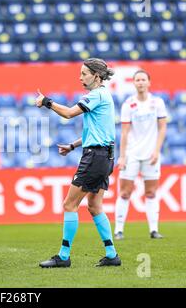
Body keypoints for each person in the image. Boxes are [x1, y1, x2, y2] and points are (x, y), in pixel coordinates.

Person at [35, 58, 121, 268]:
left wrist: (47, 101)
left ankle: (63, 256)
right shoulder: (104, 96)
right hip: (106, 156)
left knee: (69, 204)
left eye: (84, 73)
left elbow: (68, 113)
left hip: (95, 158)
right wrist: (73, 146)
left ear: (96, 76)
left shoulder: (96, 95)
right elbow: (99, 132)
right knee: (94, 206)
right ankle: (111, 254)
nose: (80, 77)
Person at [114, 70, 167, 240]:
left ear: (149, 82)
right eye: (137, 80)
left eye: (143, 79)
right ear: (134, 83)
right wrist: (122, 156)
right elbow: (124, 132)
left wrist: (157, 150)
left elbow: (162, 128)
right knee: (124, 192)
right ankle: (119, 230)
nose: (141, 82)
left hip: (151, 154)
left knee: (151, 192)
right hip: (132, 154)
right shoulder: (128, 105)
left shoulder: (157, 103)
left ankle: (153, 229)